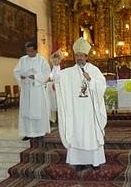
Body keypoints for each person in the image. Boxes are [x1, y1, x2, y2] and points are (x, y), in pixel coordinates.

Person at [52, 37, 107, 171]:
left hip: (90, 112)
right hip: (76, 111)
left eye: (81, 55)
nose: (79, 58)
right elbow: (57, 78)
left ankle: (95, 162)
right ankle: (79, 162)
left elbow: (102, 86)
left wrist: (91, 80)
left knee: (91, 135)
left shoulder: (94, 70)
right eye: (77, 55)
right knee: (77, 134)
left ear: (86, 56)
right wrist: (56, 65)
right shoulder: (69, 72)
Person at [13, 41, 51, 140]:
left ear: (35, 50)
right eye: (27, 51)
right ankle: (27, 133)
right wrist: (21, 77)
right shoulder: (22, 60)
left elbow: (47, 73)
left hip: (37, 90)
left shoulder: (42, 60)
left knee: (38, 111)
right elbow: (16, 72)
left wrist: (35, 76)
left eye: (31, 51)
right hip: (26, 89)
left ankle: (40, 132)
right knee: (26, 112)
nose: (29, 53)